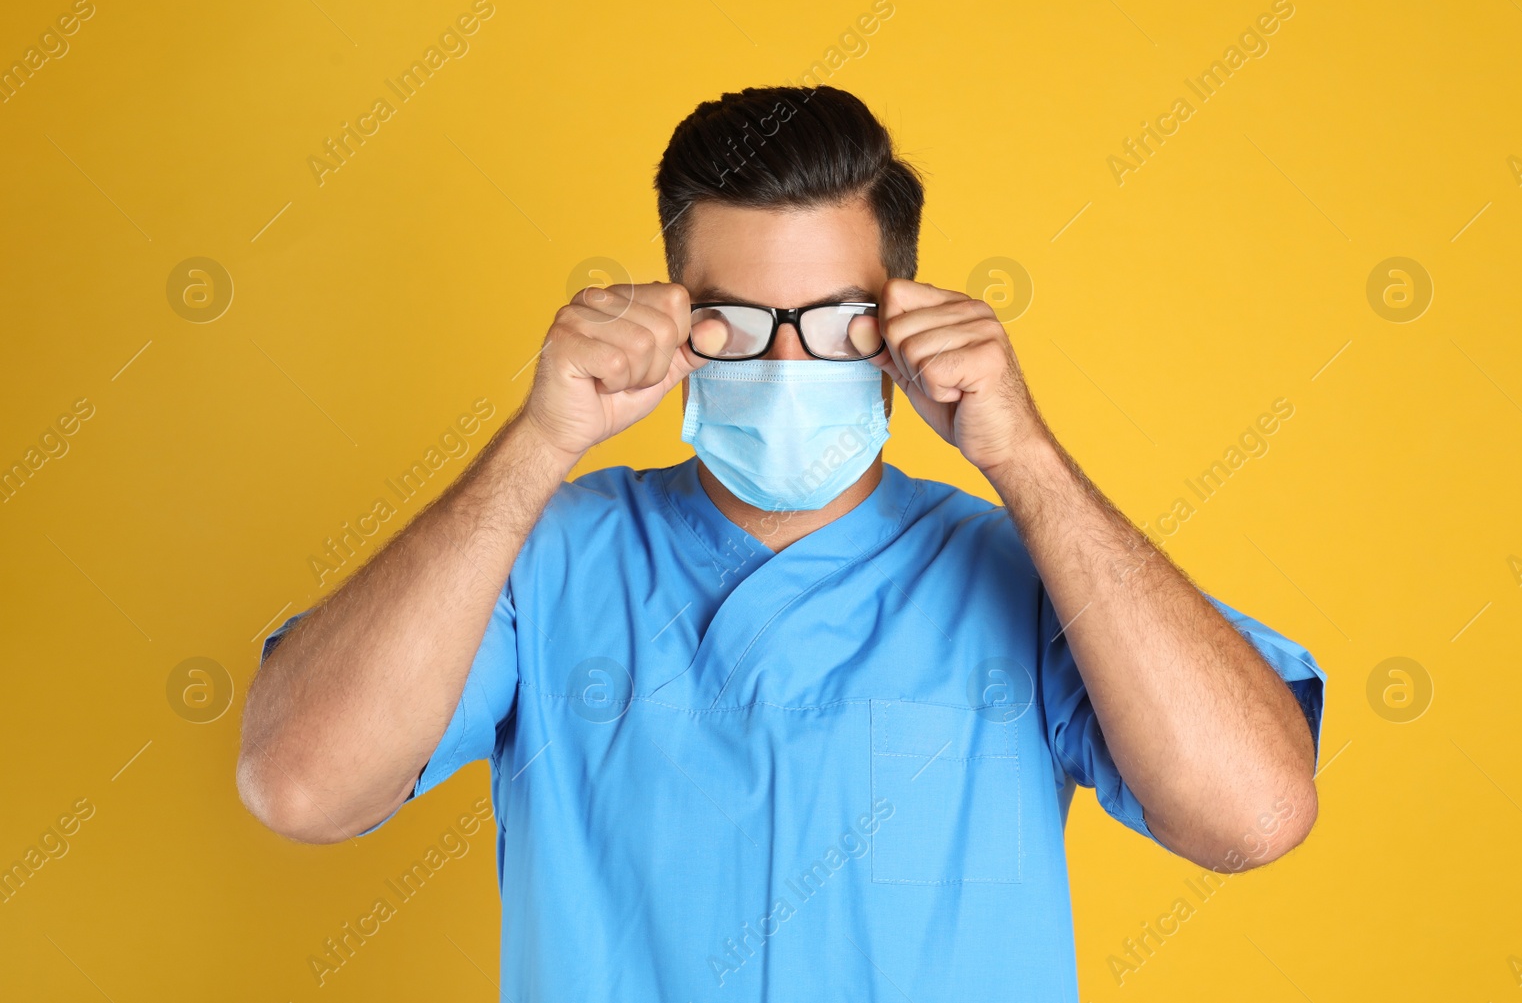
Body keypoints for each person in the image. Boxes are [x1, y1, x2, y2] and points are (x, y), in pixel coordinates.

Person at [238, 85, 1326, 1002]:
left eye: (835, 318)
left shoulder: (1028, 573)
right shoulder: (544, 564)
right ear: (675, 321)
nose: (789, 361)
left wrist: (1027, 457)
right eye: (740, 320)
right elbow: (301, 785)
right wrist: (538, 441)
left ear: (897, 325)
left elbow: (1256, 814)